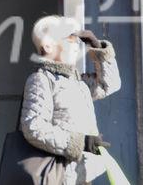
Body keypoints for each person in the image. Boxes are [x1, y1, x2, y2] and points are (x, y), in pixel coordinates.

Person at [20, 15, 121, 184]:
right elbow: (34, 127)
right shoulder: (41, 79)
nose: (76, 45)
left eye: (77, 40)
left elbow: (109, 84)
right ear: (48, 45)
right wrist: (80, 142)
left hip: (81, 175)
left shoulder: (78, 83)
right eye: (71, 39)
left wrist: (95, 46)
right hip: (59, 175)